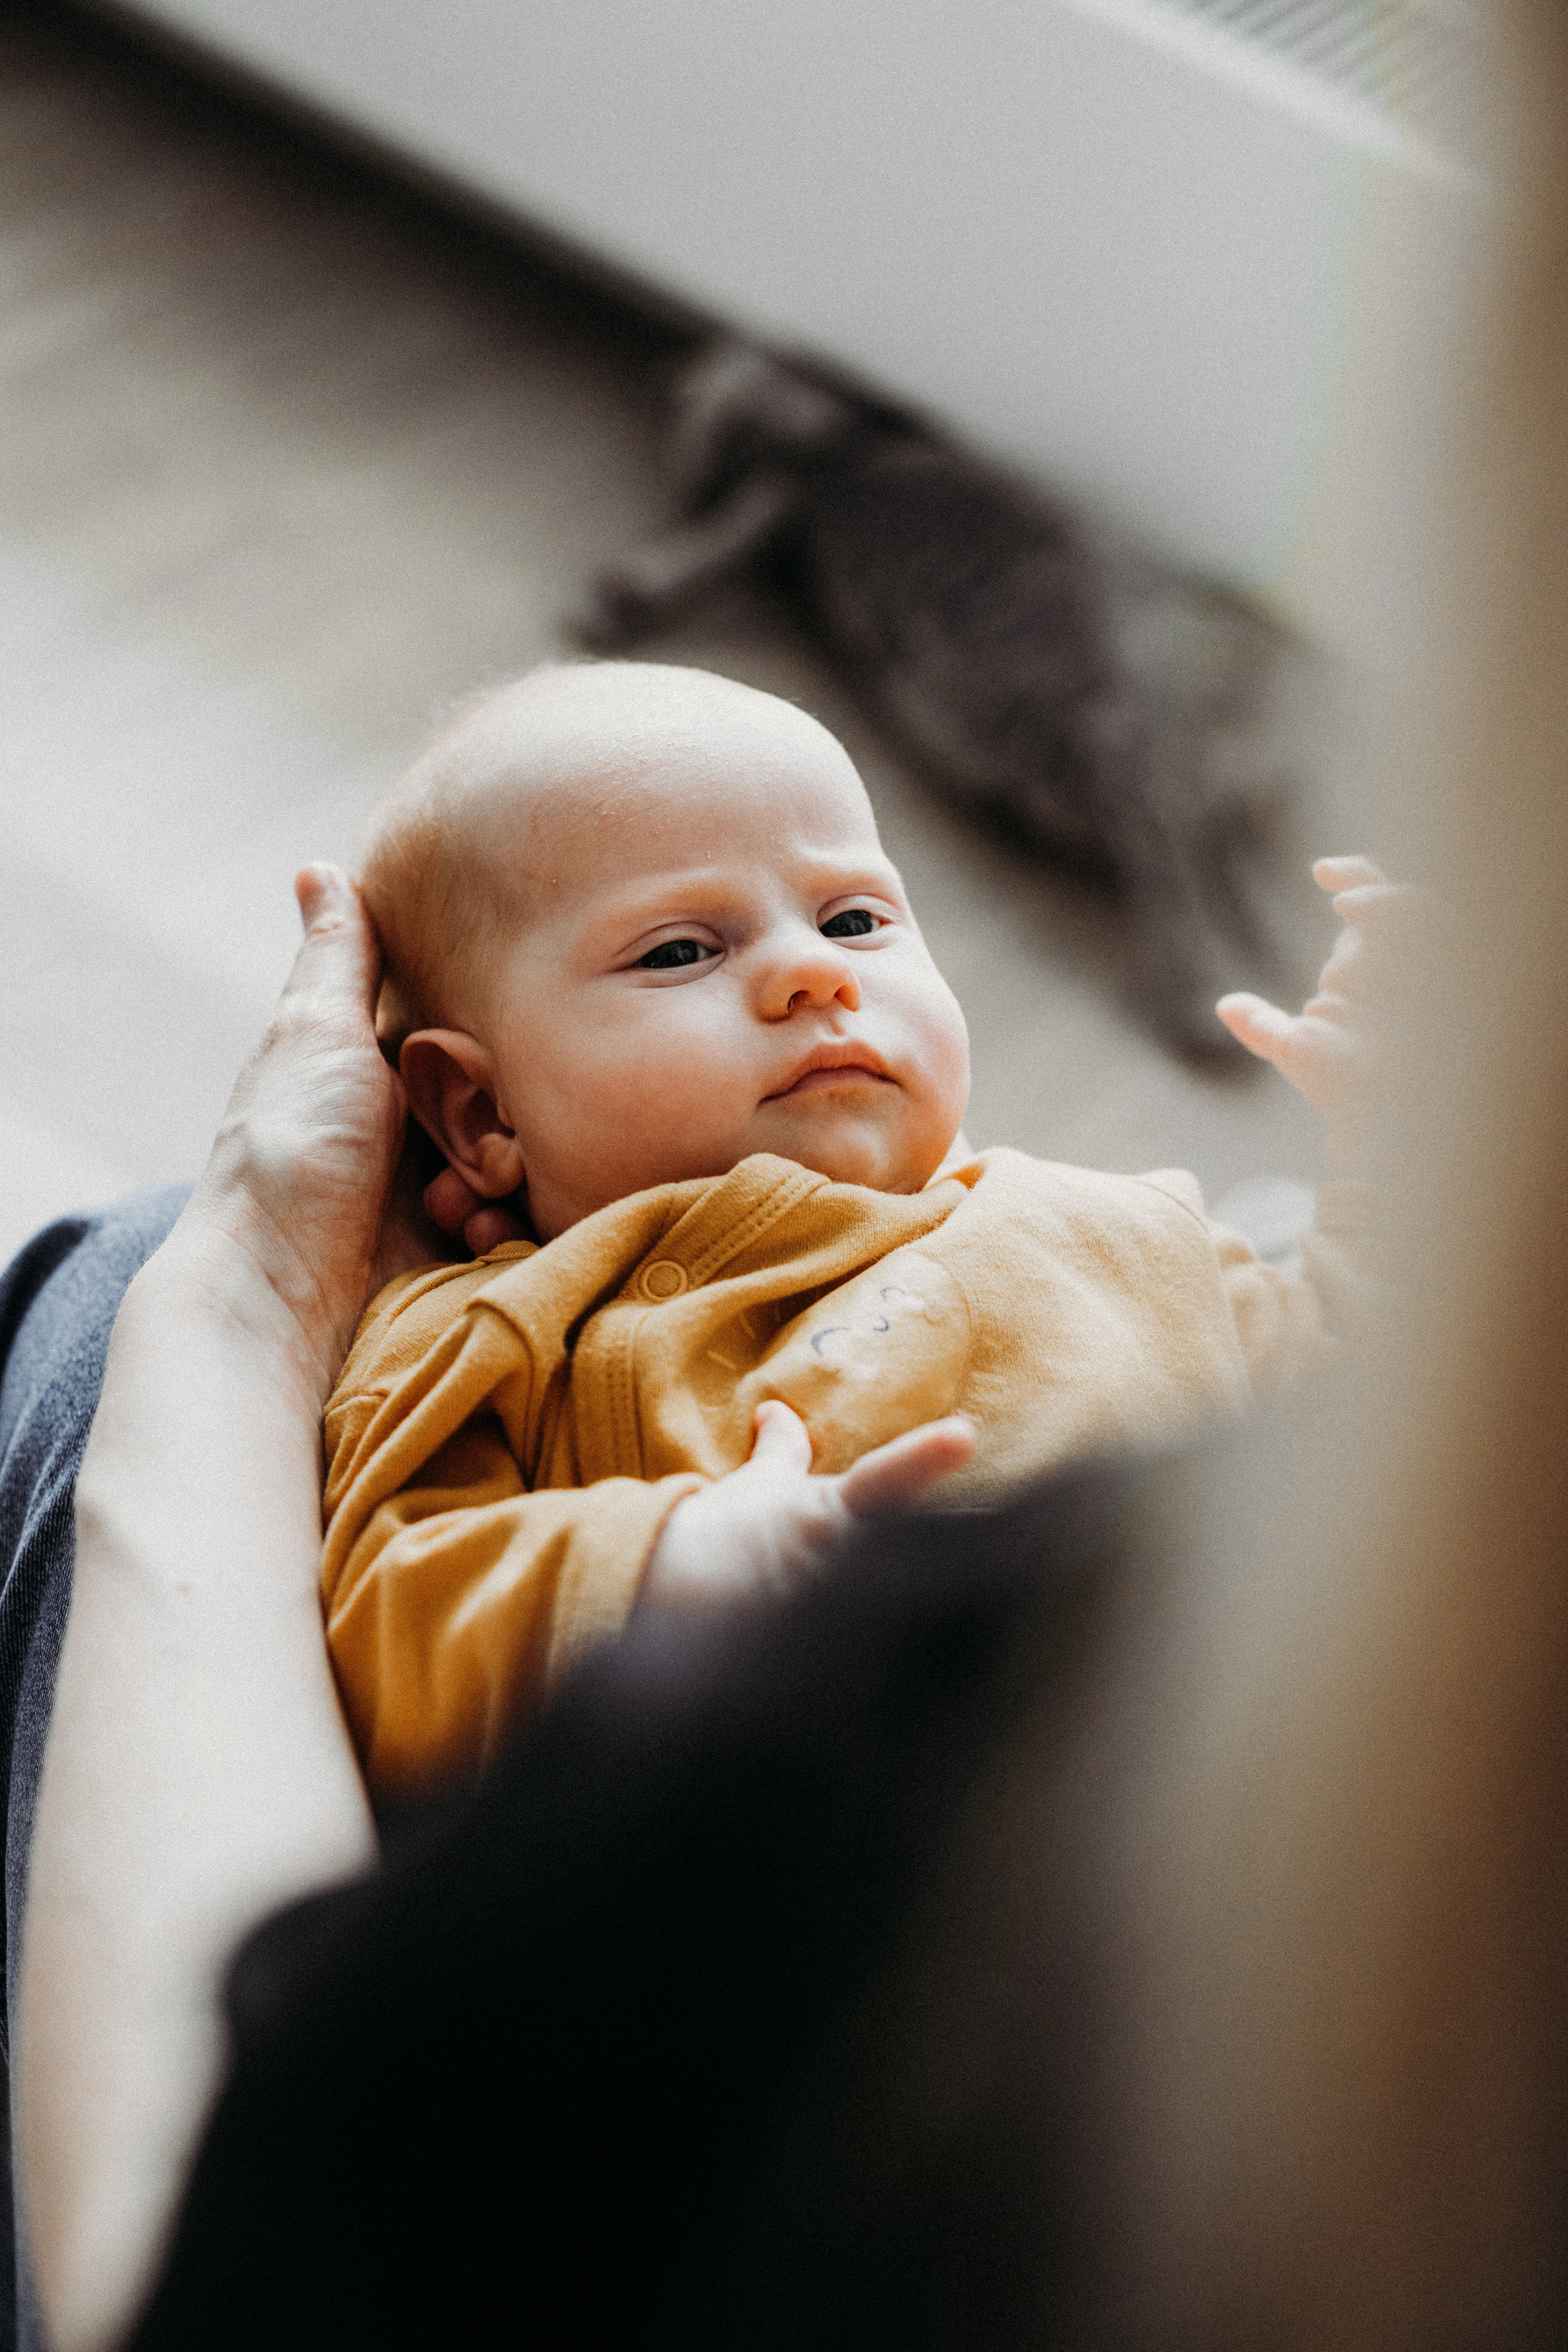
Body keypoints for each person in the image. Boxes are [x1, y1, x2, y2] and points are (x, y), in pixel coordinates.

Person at [323, 658, 1391, 1796]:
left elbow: (1365, 1406)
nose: (813, 972)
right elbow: (383, 1623)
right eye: (681, 950)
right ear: (483, 1112)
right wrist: (663, 1565)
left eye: (856, 917)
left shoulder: (1118, 1230)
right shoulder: (503, 1325)